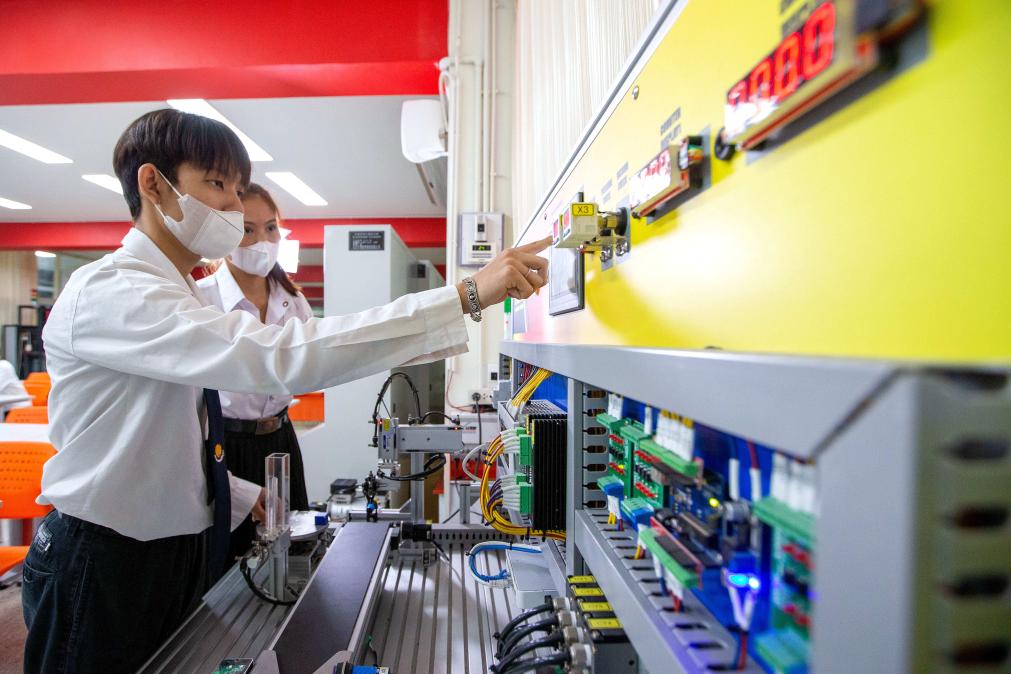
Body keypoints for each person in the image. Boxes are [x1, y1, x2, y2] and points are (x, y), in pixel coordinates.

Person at [22, 108, 550, 672]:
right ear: (153, 184)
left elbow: (163, 439)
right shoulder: (114, 292)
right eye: (216, 184)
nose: (232, 208)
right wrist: (463, 296)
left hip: (167, 550)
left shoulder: (178, 294)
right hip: (102, 559)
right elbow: (284, 356)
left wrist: (238, 494)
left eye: (237, 190)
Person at [195, 183, 311, 563]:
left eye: (271, 227)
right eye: (247, 229)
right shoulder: (201, 298)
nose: (262, 240)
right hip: (225, 447)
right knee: (229, 560)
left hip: (280, 439)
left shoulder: (293, 301)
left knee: (293, 551)